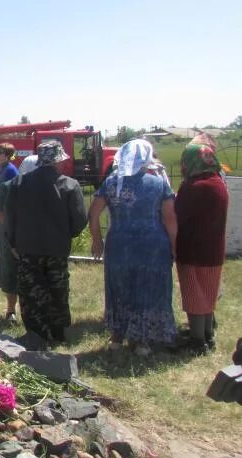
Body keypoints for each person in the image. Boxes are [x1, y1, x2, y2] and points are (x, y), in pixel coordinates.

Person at [88, 139, 177, 356]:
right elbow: (169, 219)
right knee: (148, 289)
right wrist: (174, 246)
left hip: (119, 244)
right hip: (152, 245)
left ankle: (117, 337)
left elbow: (94, 212)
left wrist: (97, 239)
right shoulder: (158, 183)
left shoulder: (111, 182)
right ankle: (142, 342)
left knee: (119, 288)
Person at [4, 141, 87, 346]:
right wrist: (66, 235)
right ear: (58, 161)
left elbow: (9, 218)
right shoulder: (69, 185)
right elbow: (79, 220)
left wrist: (14, 243)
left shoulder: (18, 184)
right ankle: (57, 332)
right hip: (56, 249)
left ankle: (36, 333)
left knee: (31, 291)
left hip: (27, 248)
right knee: (57, 289)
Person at [175, 134, 228, 353]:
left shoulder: (194, 187)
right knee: (208, 292)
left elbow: (178, 215)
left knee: (194, 294)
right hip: (214, 249)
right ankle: (207, 334)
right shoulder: (218, 182)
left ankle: (197, 342)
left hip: (193, 249)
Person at [0, 155, 39, 322]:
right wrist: (15, 228)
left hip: (33, 239)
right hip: (11, 237)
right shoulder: (7, 187)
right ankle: (11, 310)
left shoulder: (42, 189)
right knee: (10, 274)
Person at [0, 143, 20, 320]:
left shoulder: (11, 170)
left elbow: (13, 191)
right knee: (0, 246)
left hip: (6, 214)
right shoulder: (0, 169)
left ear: (7, 155)